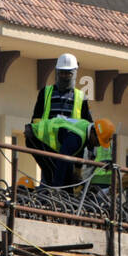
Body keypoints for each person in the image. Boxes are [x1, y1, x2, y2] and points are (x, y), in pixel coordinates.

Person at [26, 52, 95, 187]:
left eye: (68, 73)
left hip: (70, 149)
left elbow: (88, 129)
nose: (64, 76)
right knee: (49, 180)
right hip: (48, 146)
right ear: (57, 72)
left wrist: (79, 165)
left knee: (66, 184)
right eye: (62, 73)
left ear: (74, 73)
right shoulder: (46, 92)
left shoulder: (81, 98)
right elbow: (36, 119)